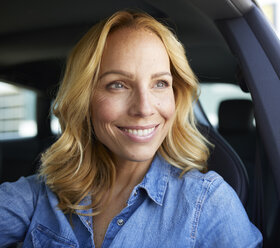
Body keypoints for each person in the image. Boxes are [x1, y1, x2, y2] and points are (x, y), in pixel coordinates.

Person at [0, 10, 262, 247]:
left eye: (160, 83)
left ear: (176, 94)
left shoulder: (208, 202)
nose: (144, 108)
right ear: (85, 99)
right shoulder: (44, 192)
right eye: (118, 85)